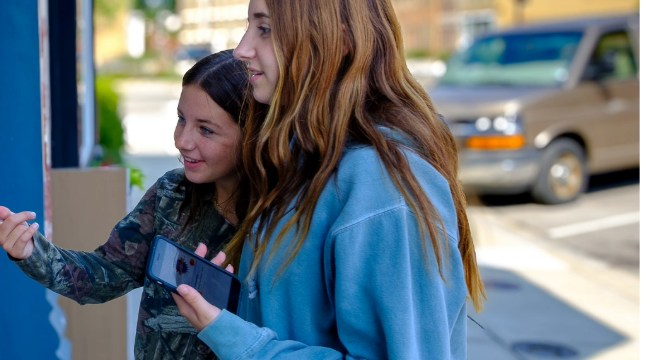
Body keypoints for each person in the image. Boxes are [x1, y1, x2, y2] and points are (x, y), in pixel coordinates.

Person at [167, 0, 487, 359]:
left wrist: (242, 344)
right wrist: (230, 313)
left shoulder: (384, 190)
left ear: (339, 40)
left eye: (265, 29)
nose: (242, 50)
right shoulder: (304, 162)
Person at [0, 50, 264, 360]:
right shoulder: (171, 193)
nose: (182, 140)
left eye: (205, 129)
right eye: (181, 119)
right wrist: (31, 252)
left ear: (254, 135)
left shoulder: (284, 222)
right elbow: (107, 273)